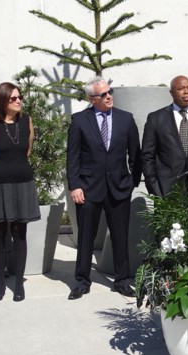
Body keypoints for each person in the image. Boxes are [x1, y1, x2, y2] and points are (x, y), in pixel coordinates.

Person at [66, 76, 142, 300]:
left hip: (119, 188)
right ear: (92, 99)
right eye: (103, 94)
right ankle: (81, 281)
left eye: (110, 92)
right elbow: (72, 157)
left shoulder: (125, 119)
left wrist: (132, 182)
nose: (109, 96)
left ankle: (122, 280)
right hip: (88, 188)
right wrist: (75, 186)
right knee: (86, 237)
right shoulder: (80, 120)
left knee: (120, 236)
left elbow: (135, 154)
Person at [0, 82, 41, 302]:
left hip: (22, 182)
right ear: (2, 100)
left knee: (19, 232)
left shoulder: (27, 121)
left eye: (19, 97)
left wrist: (14, 169)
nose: (18, 101)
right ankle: (0, 284)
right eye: (13, 98)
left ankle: (18, 284)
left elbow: (27, 150)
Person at [141, 75, 188, 197]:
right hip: (166, 190)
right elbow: (147, 156)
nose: (186, 92)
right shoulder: (156, 119)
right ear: (171, 93)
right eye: (181, 88)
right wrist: (153, 186)